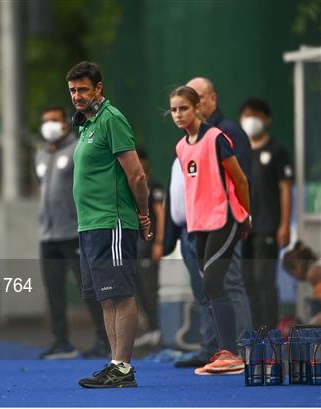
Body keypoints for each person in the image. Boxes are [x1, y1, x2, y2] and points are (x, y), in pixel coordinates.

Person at [66, 61, 151, 388]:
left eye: (83, 89)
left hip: (113, 221)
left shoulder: (111, 119)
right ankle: (115, 363)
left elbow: (137, 174)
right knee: (106, 296)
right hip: (90, 225)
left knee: (121, 292)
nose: (77, 96)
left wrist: (143, 214)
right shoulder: (87, 125)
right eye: (73, 90)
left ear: (99, 89)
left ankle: (124, 367)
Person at [172, 77, 253, 368]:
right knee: (209, 287)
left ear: (198, 108)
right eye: (174, 110)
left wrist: (245, 214)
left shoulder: (216, 138)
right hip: (199, 226)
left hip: (225, 219)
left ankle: (233, 352)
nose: (179, 114)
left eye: (184, 108)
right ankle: (223, 351)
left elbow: (240, 179)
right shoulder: (181, 147)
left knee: (215, 282)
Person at [35, 105, 109, 360]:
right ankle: (61, 341)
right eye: (45, 121)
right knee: (53, 290)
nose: (49, 125)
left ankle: (104, 339)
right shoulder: (41, 154)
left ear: (66, 123)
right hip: (48, 235)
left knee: (87, 288)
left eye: (54, 120)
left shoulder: (77, 148)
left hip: (75, 232)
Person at [239, 98, 293, 330]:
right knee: (247, 282)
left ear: (266, 119)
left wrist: (284, 224)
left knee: (264, 281)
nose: (251, 120)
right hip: (244, 227)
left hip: (268, 226)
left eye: (256, 115)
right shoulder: (238, 151)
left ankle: (270, 333)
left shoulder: (276, 151)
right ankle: (255, 332)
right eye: (246, 114)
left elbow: (285, 188)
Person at [132, 148, 165, 348]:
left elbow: (161, 215)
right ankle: (151, 329)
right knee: (139, 290)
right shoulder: (129, 185)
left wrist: (159, 243)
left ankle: (158, 330)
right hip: (133, 244)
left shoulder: (154, 185)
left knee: (149, 288)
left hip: (149, 243)